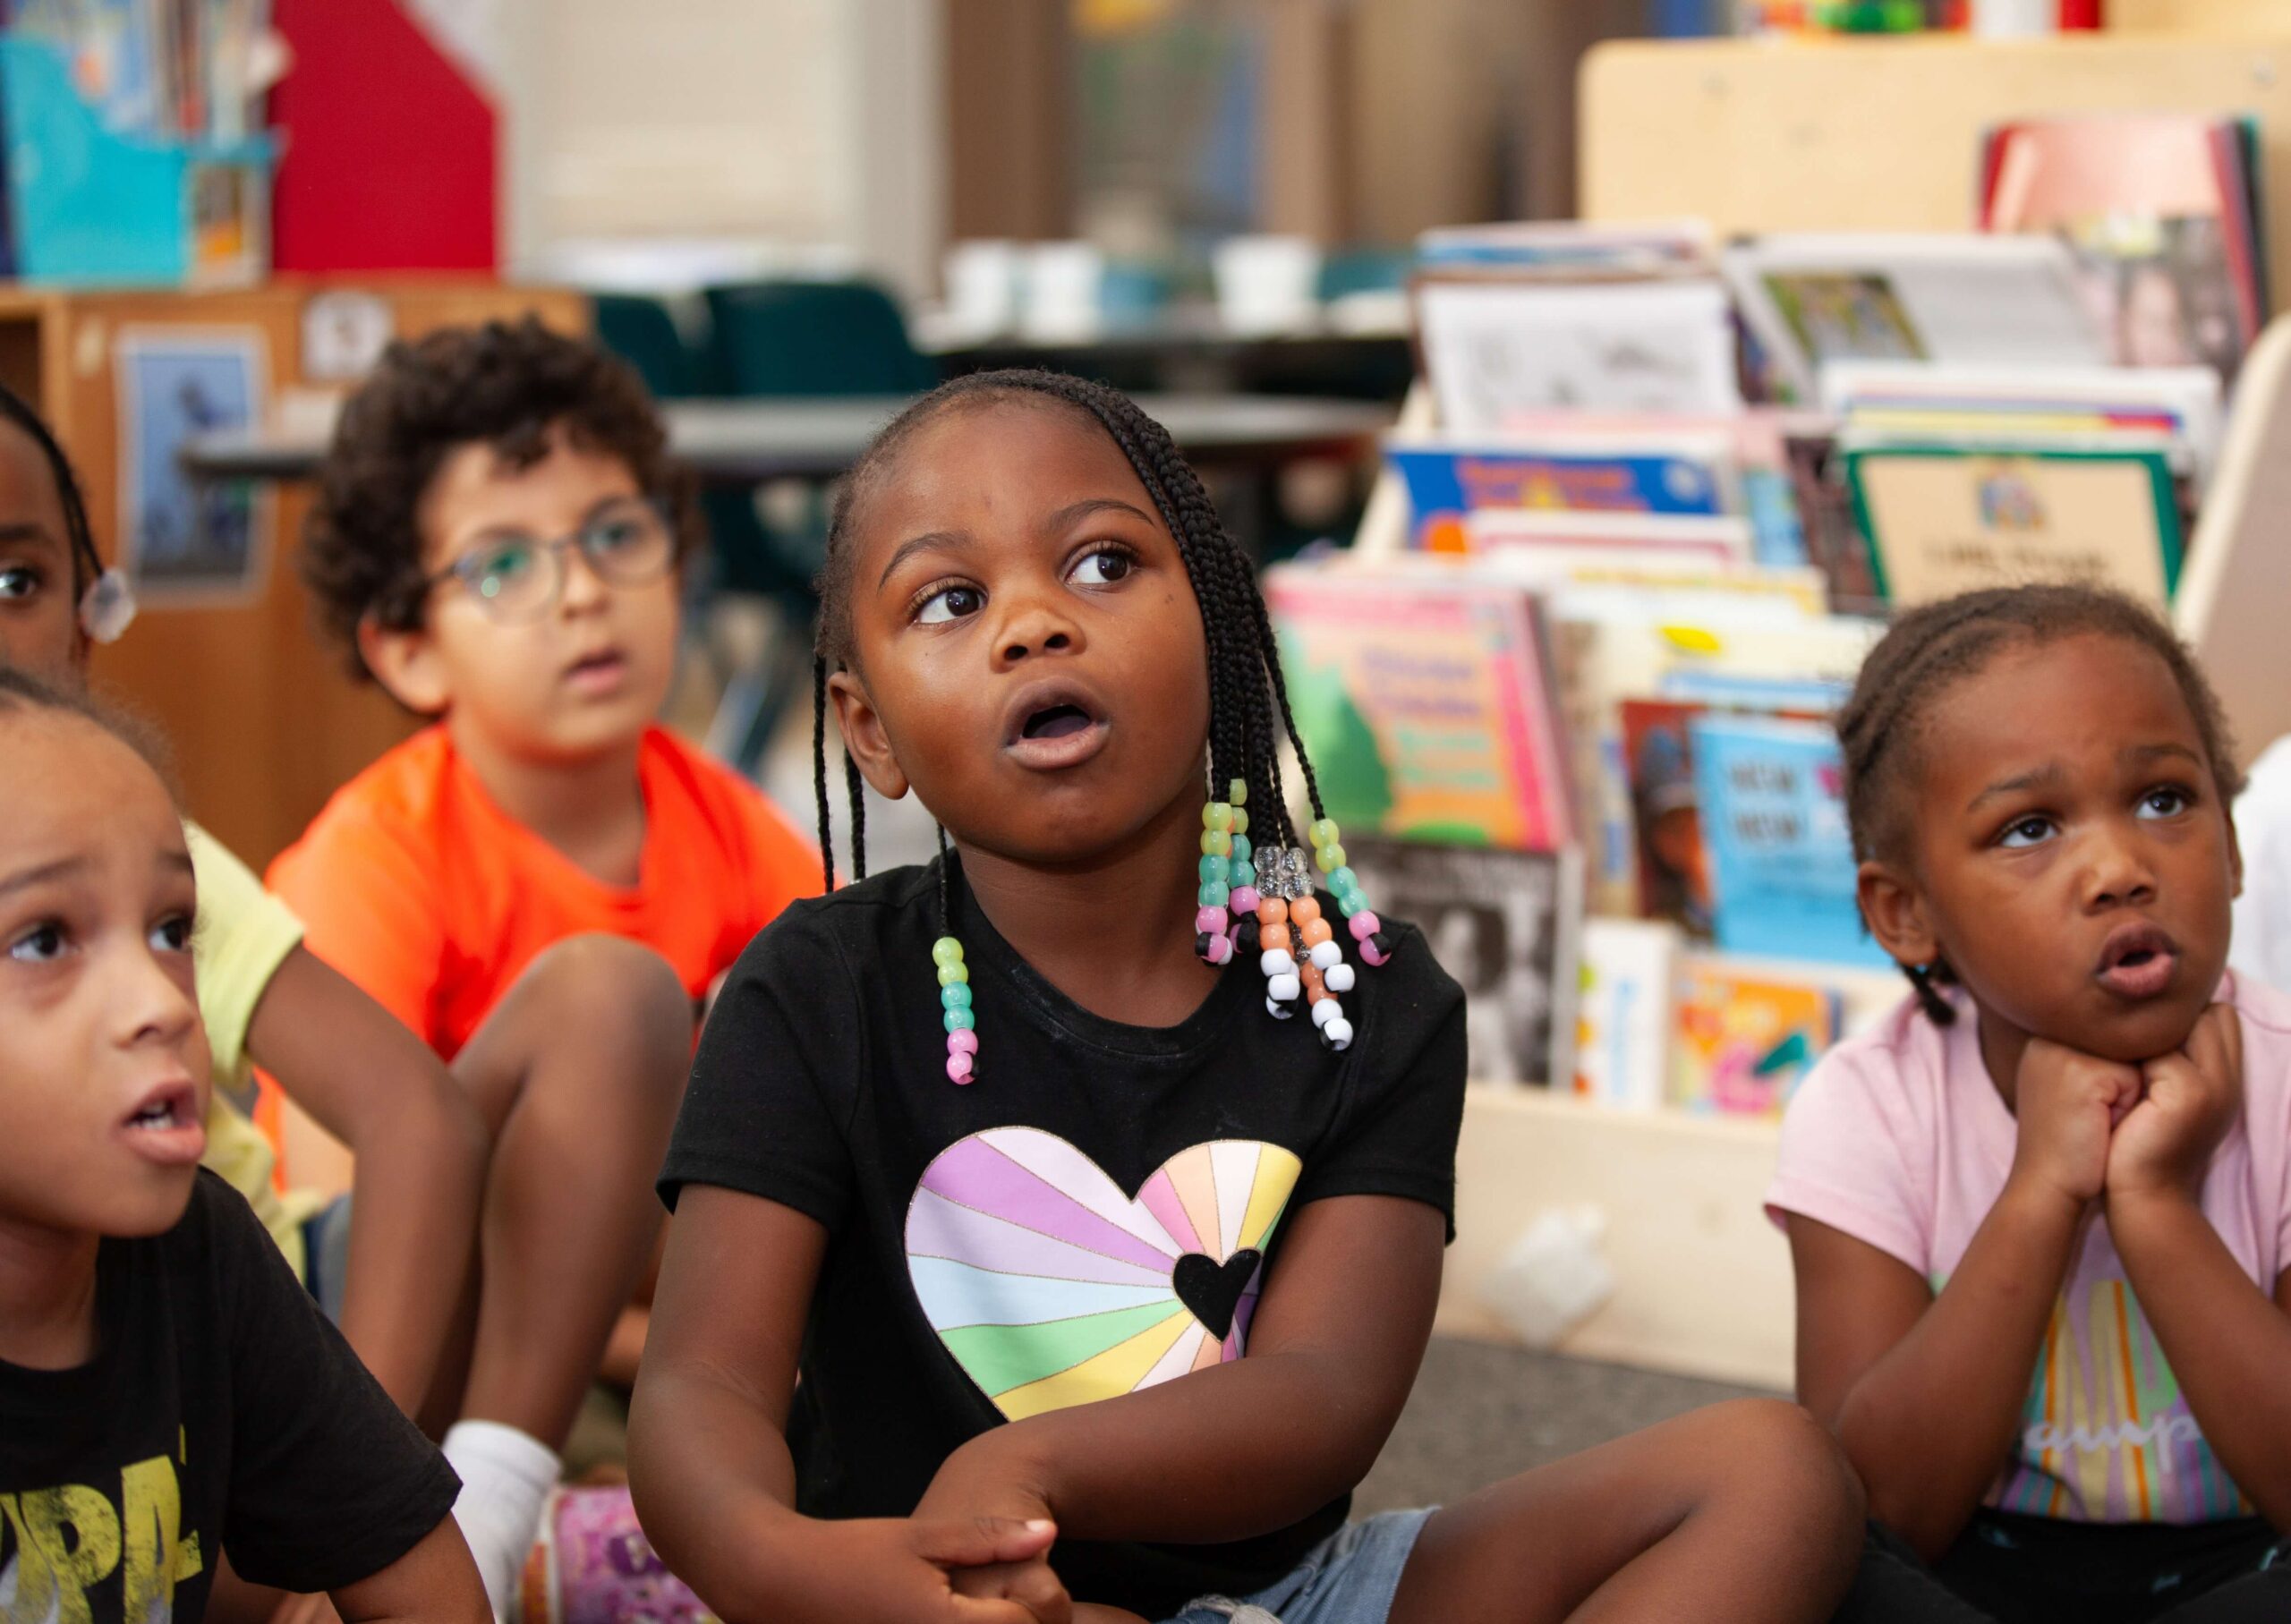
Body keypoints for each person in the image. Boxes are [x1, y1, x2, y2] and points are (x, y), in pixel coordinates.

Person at [626, 370, 1866, 1624]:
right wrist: (798, 1568)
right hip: (921, 1601)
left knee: (1770, 1469)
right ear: (868, 727)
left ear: (1223, 630)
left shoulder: (1360, 994)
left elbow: (1325, 1391)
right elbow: (702, 1388)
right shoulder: (818, 986)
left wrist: (1033, 1464)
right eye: (952, 599)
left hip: (1285, 1596)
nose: (1035, 623)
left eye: (1104, 564)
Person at [0, 376, 690, 1620]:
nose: (154, 992)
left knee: (624, 1006)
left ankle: (495, 1494)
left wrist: (364, 1499)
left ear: (91, 618)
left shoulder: (134, 840)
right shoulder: (377, 839)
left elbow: (413, 1122)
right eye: (42, 938)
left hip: (288, 1325)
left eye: (16, 582)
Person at [1772, 585, 2291, 1622]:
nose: (2117, 868)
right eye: (2030, 827)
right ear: (1906, 912)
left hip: (2249, 1563)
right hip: (1969, 1569)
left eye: (2163, 800)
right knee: (1792, 1547)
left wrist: (2154, 1203)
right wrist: (2040, 1192)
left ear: (2233, 848)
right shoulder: (1866, 1107)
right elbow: (1882, 1509)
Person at [0, 665, 489, 1624]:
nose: (158, 1004)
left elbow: (429, 1597)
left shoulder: (201, 1251)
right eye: (45, 942)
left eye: (171, 929)